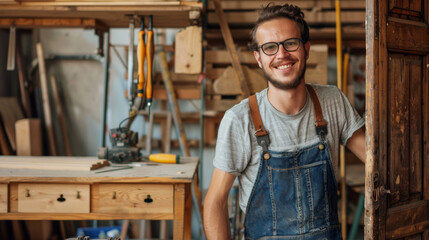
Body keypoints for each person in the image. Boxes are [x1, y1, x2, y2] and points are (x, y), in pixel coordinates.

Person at [203, 3, 366, 240]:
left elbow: (376, 162)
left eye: (290, 43)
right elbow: (215, 201)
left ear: (306, 49)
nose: (281, 54)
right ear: (258, 58)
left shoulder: (332, 102)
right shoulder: (239, 120)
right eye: (270, 47)